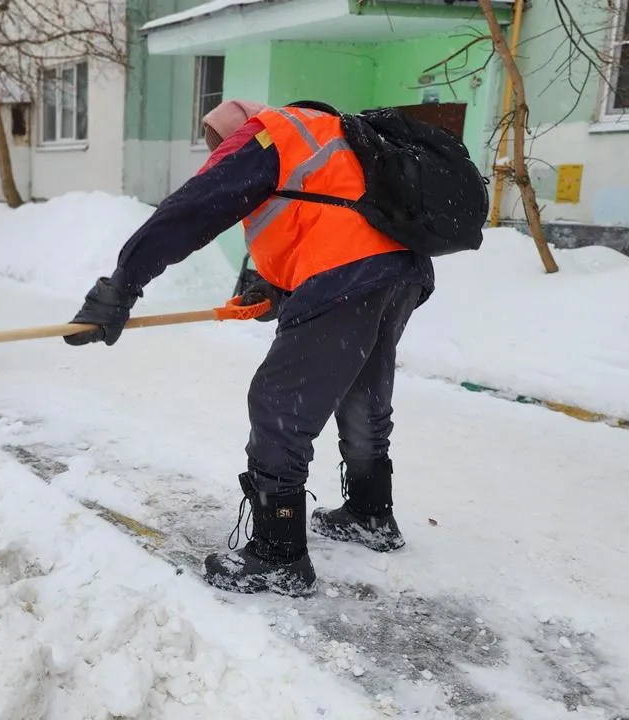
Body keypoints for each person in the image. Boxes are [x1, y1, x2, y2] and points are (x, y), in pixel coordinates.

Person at [62, 99, 436, 597]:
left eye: (220, 143)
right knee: (361, 390)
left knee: (279, 402)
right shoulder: (329, 137)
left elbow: (191, 212)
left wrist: (122, 285)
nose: (220, 154)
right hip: (399, 270)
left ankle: (278, 556)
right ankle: (370, 514)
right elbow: (330, 216)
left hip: (349, 273)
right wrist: (275, 290)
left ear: (235, 131)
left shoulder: (265, 136)